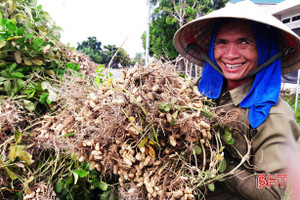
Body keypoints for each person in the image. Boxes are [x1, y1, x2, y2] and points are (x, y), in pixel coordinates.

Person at [173, 1, 300, 200]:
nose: (231, 54)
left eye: (244, 42)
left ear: (264, 50)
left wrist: (217, 161)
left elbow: (274, 186)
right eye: (222, 42)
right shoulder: (198, 93)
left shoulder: (274, 114)